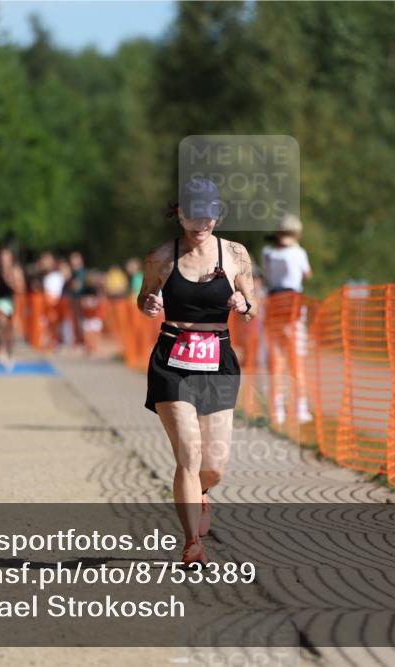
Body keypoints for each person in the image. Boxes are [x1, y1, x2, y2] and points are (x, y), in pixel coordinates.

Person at [137, 178, 256, 565]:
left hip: (218, 360)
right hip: (173, 359)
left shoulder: (236, 254)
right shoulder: (161, 257)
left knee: (214, 467)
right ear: (180, 214)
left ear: (217, 214)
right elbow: (143, 297)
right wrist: (150, 302)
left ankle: (201, 493)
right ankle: (192, 544)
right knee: (188, 453)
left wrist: (243, 302)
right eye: (194, 214)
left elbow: (252, 306)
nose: (201, 222)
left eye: (209, 214)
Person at [262, 214, 314, 425]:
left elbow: (267, 274)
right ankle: (300, 409)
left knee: (277, 361)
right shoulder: (298, 252)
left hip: (274, 304)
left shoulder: (268, 252)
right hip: (292, 307)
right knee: (297, 361)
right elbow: (307, 274)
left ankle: (277, 410)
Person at [0, 247, 25, 370]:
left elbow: (20, 288)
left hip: (14, 301)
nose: (4, 260)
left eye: (7, 258)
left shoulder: (16, 271)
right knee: (3, 325)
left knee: (11, 329)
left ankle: (10, 352)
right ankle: (2, 351)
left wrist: (10, 281)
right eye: (2, 258)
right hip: (2, 301)